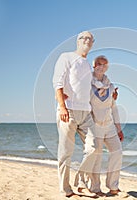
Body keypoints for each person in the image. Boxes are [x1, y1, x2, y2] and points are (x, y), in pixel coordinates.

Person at [52, 31, 98, 198]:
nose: (87, 40)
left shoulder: (87, 64)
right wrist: (62, 107)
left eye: (90, 39)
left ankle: (80, 183)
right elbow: (57, 82)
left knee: (94, 147)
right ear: (78, 41)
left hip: (86, 112)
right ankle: (65, 189)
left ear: (92, 43)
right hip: (69, 111)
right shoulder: (66, 57)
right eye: (84, 38)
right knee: (66, 152)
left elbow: (88, 88)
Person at [89, 55, 128, 198]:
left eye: (105, 65)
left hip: (110, 126)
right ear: (93, 66)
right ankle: (95, 188)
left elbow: (114, 108)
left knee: (117, 152)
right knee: (96, 157)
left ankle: (113, 187)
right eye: (99, 64)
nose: (102, 67)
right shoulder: (88, 84)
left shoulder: (110, 86)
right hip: (94, 126)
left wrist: (119, 128)